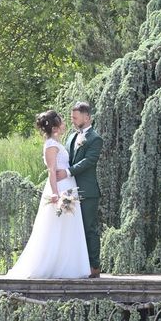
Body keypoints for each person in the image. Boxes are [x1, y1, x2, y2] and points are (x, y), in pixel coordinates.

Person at [6, 110, 91, 279]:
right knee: (56, 227)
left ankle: (68, 265)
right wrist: (55, 193)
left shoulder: (57, 143)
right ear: (54, 127)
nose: (65, 124)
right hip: (59, 188)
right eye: (61, 121)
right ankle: (52, 264)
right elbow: (52, 170)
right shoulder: (51, 145)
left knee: (68, 228)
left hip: (68, 186)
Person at [57, 102, 103, 278]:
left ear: (87, 117)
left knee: (89, 228)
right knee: (72, 229)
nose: (73, 120)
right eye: (72, 117)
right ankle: (76, 265)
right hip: (69, 190)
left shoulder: (95, 139)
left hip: (87, 191)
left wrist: (67, 172)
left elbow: (89, 161)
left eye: (75, 117)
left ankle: (94, 267)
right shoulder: (70, 137)